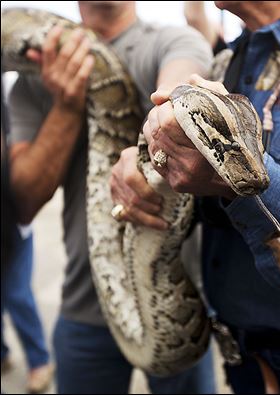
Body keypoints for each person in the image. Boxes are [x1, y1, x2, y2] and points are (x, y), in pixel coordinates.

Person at [7, 1, 215, 393]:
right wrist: (68, 105)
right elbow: (24, 201)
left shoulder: (167, 41)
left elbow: (182, 84)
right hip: (82, 311)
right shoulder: (35, 76)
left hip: (180, 312)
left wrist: (163, 126)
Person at [110, 1, 280, 394]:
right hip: (242, 358)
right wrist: (149, 163)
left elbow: (247, 177)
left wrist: (240, 180)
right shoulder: (227, 61)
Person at [1, 74, 53, 394]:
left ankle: (39, 361)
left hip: (13, 220)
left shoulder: (11, 88)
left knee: (17, 294)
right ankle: (3, 354)